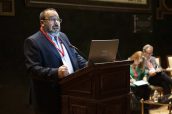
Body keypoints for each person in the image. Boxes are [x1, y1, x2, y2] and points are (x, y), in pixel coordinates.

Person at [24, 8, 87, 114]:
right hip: (48, 96)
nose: (56, 22)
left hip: (71, 91)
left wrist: (87, 64)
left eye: (58, 19)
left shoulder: (62, 36)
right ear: (42, 23)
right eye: (52, 19)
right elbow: (32, 69)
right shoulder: (33, 41)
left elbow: (74, 55)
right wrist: (56, 72)